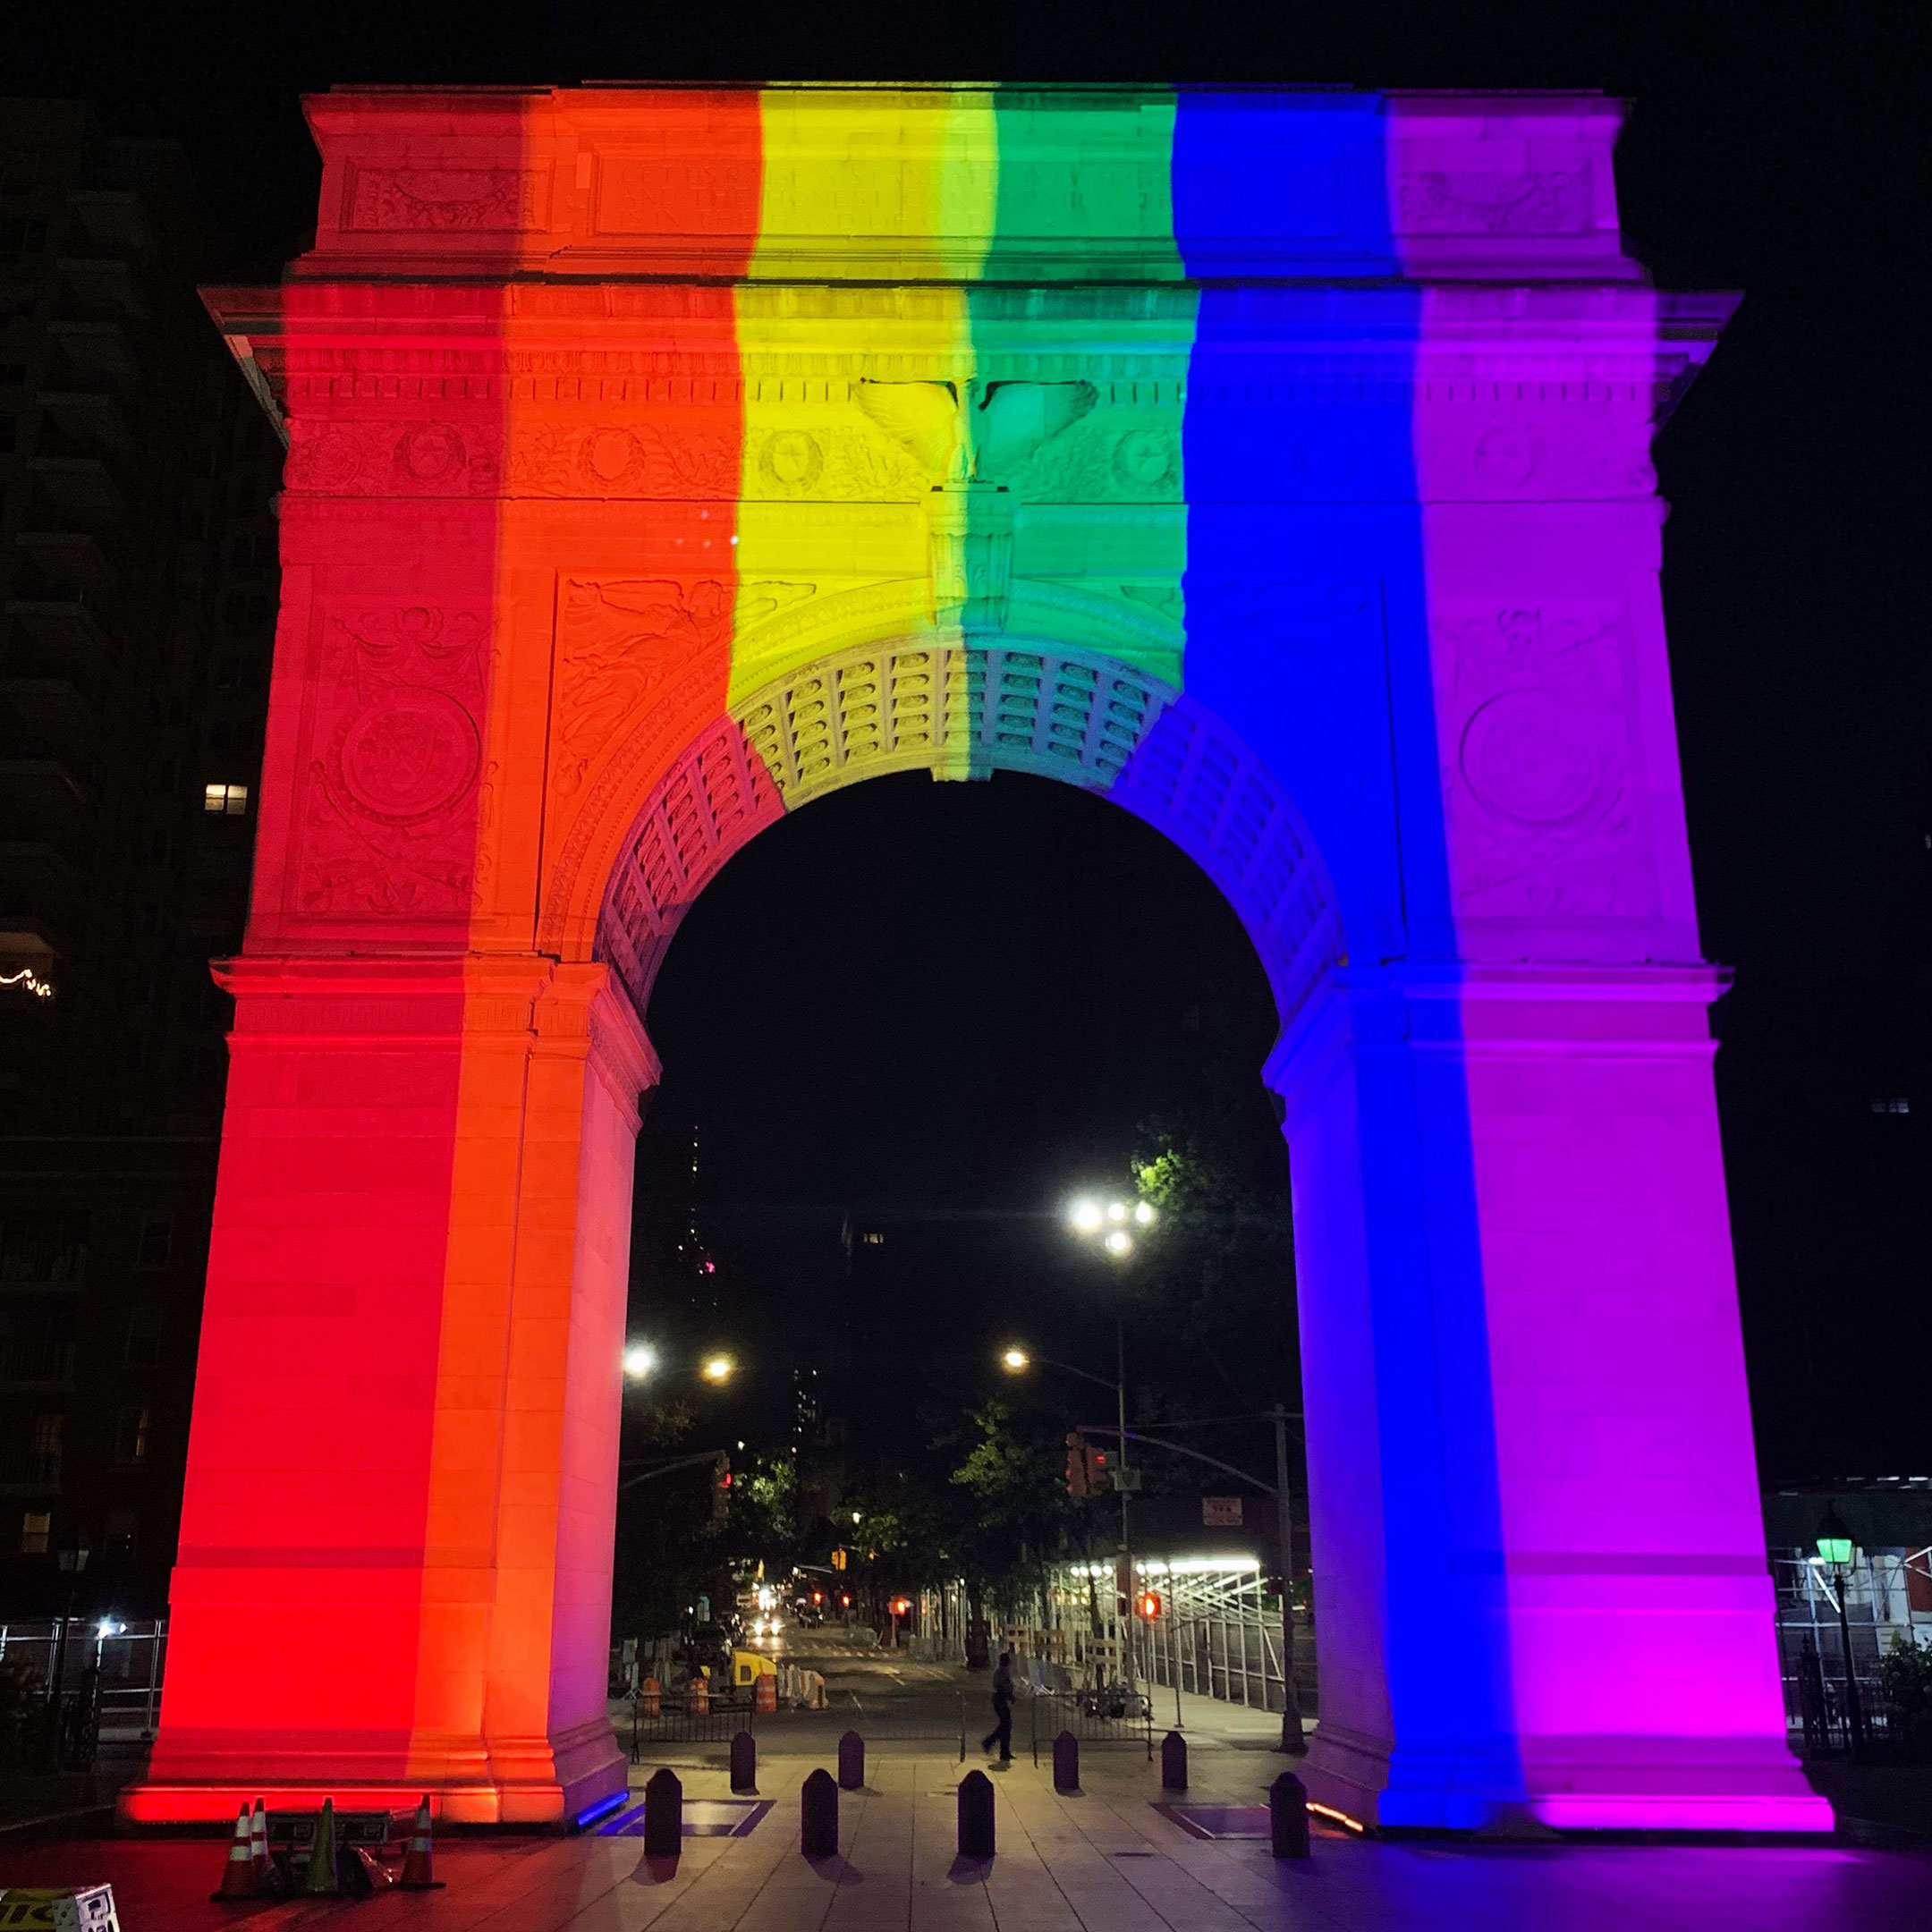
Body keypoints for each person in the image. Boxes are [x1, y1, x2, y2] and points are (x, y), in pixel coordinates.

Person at [981, 1649, 1015, 1761]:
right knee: (1006, 1726)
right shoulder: (1003, 1672)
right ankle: (990, 1742)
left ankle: (1003, 1751)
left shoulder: (1000, 1671)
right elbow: (1002, 1686)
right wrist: (1010, 1695)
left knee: (1005, 1726)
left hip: (1000, 1700)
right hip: (1000, 1700)